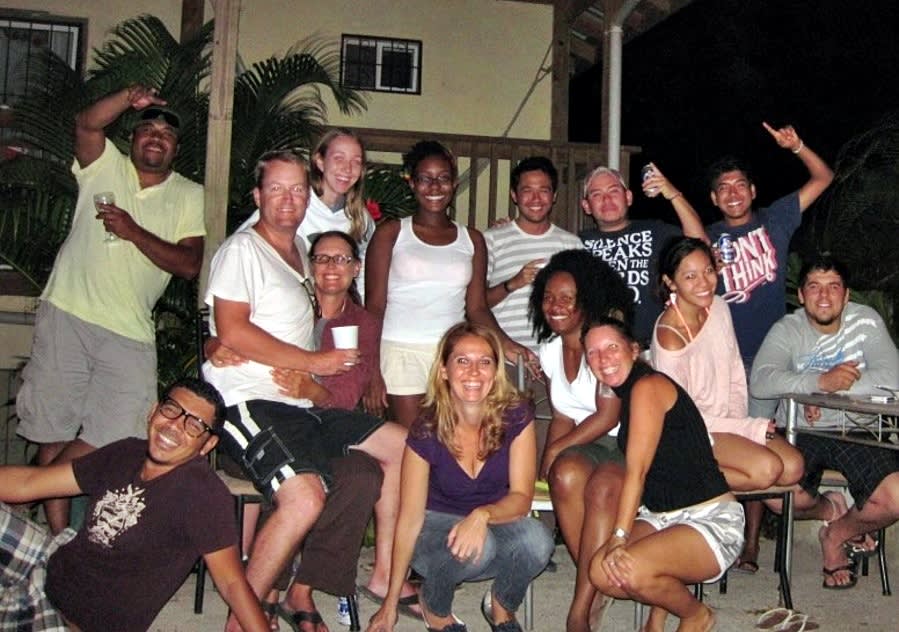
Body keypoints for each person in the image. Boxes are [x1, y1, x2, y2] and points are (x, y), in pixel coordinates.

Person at [201, 150, 407, 632]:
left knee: (405, 444)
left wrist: (313, 383)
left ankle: (381, 574)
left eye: (297, 189)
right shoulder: (243, 250)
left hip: (299, 406)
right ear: (257, 196)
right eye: (276, 188)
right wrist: (312, 363)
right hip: (252, 401)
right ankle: (243, 622)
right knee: (304, 497)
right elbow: (232, 327)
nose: (288, 199)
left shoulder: (296, 255)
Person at [15, 85, 205, 534]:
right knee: (53, 428)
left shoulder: (188, 194)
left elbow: (189, 264)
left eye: (167, 134)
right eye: (148, 129)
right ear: (133, 138)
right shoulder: (104, 166)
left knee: (126, 435)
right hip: (67, 312)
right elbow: (85, 123)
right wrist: (128, 97)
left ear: (176, 149)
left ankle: (28, 488)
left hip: (130, 331)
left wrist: (133, 230)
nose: (156, 137)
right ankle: (60, 539)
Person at [0, 377, 268, 632]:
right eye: (171, 410)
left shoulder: (204, 495)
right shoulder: (126, 452)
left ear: (207, 444)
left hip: (69, 621)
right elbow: (30, 482)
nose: (174, 426)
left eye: (194, 425)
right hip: (47, 565)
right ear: (154, 411)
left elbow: (233, 583)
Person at [703, 124, 833, 574]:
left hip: (770, 359)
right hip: (723, 359)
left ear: (752, 190)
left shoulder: (775, 220)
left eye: (740, 184)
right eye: (724, 188)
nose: (733, 193)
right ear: (715, 200)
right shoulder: (704, 240)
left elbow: (823, 179)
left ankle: (752, 544)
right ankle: (727, 533)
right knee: (731, 445)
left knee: (760, 438)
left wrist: (796, 146)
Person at [366, 322, 554, 632]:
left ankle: (501, 606)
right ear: (443, 370)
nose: (474, 372)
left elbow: (521, 499)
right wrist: (390, 605)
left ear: (495, 372)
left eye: (485, 362)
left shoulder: (516, 415)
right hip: (433, 533)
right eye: (462, 361)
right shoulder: (426, 429)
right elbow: (409, 519)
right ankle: (435, 607)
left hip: (491, 522)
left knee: (537, 540)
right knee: (481, 549)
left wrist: (482, 515)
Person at [584, 318, 744, 632]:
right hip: (662, 515)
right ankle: (658, 617)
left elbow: (637, 471)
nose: (603, 359)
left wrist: (619, 537)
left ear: (633, 350)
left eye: (611, 348)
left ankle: (696, 615)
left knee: (631, 570)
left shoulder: (648, 387)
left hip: (709, 517)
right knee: (602, 574)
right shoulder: (629, 392)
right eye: (593, 353)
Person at [751, 254, 899, 590]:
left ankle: (837, 535)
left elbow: (893, 377)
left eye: (834, 287)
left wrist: (831, 393)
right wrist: (817, 383)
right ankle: (829, 508)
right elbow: (761, 380)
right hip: (801, 430)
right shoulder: (788, 329)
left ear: (846, 295)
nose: (824, 296)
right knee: (774, 494)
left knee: (897, 496)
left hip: (858, 429)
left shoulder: (866, 322)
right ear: (801, 295)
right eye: (814, 287)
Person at [365, 140, 531, 427]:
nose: (434, 187)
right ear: (412, 183)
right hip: (400, 351)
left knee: (454, 441)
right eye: (425, 179)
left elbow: (477, 308)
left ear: (453, 184)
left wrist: (506, 343)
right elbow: (374, 307)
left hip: (452, 353)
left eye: (443, 179)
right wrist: (371, 370)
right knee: (414, 442)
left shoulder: (472, 240)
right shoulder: (391, 233)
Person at [527, 249, 632, 632]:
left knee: (601, 485)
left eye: (566, 298)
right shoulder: (551, 350)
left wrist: (556, 449)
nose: (555, 306)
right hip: (588, 445)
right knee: (565, 474)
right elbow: (563, 415)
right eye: (549, 297)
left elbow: (609, 415)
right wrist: (547, 466)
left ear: (585, 300)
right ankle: (597, 581)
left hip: (628, 441)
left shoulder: (603, 344)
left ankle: (580, 607)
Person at [651, 237, 804, 490]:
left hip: (726, 423)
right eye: (690, 276)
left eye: (709, 271)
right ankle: (679, 473)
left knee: (793, 467)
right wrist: (747, 429)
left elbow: (734, 372)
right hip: (693, 433)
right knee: (768, 470)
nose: (704, 283)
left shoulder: (719, 306)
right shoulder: (670, 338)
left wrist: (741, 426)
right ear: (670, 282)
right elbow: (684, 417)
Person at [237, 128, 375, 298]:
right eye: (339, 158)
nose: (347, 168)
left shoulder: (361, 219)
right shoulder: (292, 204)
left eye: (356, 161)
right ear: (320, 161)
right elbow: (244, 247)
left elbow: (364, 274)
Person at [578, 163, 706, 347]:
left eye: (613, 191)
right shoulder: (576, 244)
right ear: (586, 206)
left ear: (628, 197)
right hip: (604, 349)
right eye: (596, 194)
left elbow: (699, 244)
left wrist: (673, 194)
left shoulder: (654, 231)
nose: (606, 200)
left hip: (655, 346)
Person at [484, 156, 583, 354]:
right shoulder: (491, 240)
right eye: (527, 191)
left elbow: (583, 304)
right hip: (505, 354)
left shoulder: (572, 244)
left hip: (558, 357)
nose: (536, 199)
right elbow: (476, 304)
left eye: (543, 191)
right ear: (514, 195)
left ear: (554, 195)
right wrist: (512, 283)